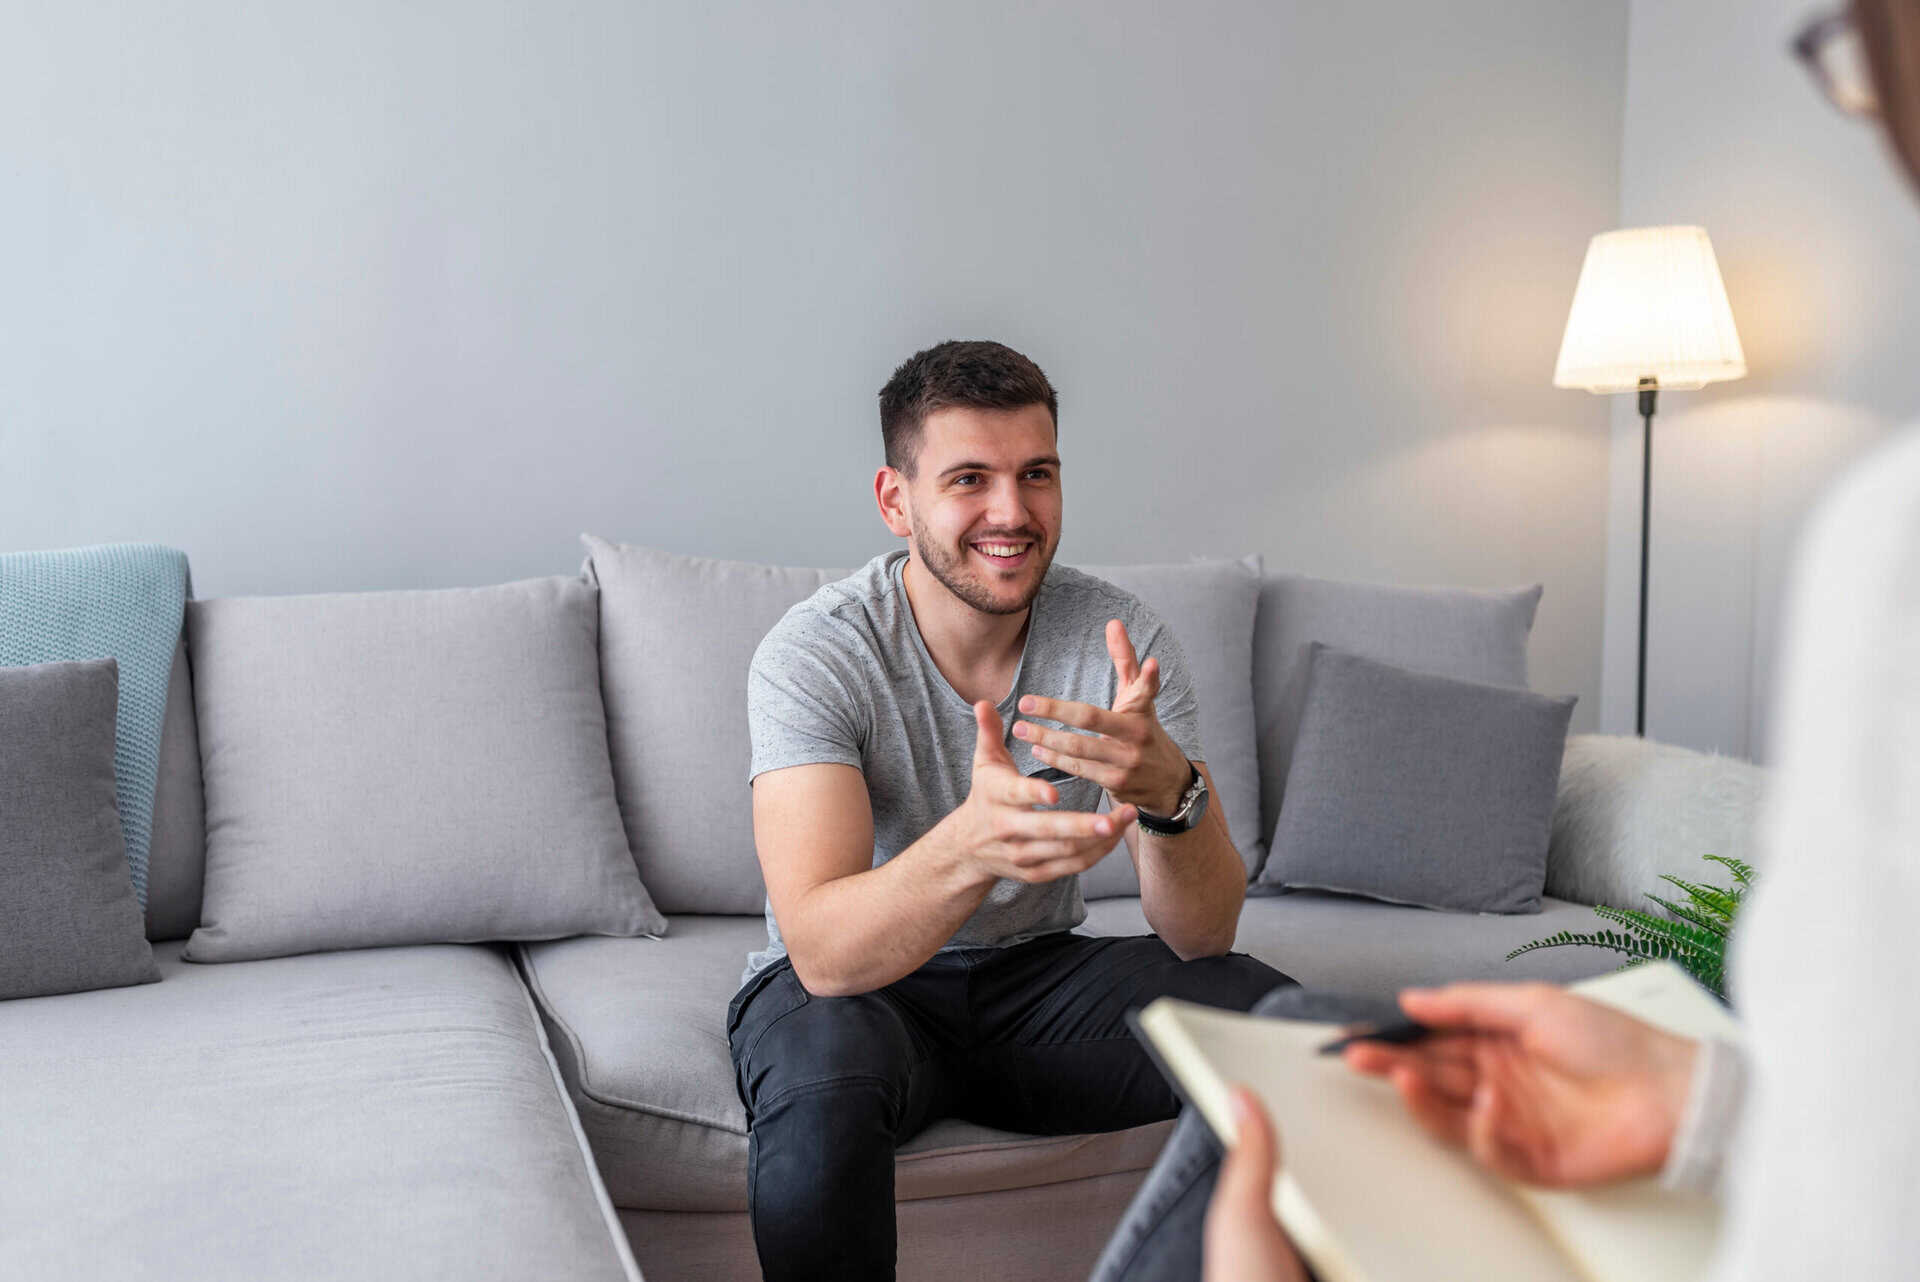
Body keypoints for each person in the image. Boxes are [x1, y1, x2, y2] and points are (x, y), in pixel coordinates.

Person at [1096, 2, 1920, 1278]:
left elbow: (1832, 1233)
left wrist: (1172, 790)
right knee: (1319, 1028)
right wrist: (1714, 1106)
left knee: (1288, 1058)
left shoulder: (1891, 548)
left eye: (1865, 53)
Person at [730, 339, 1292, 1281]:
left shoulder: (1122, 641)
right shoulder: (816, 654)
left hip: (1034, 984)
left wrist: (1170, 796)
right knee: (821, 1103)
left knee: (1283, 1027)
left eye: (1037, 475)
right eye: (969, 479)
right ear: (895, 500)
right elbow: (823, 947)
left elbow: (1202, 937)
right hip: (855, 993)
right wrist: (970, 844)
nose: (1012, 512)